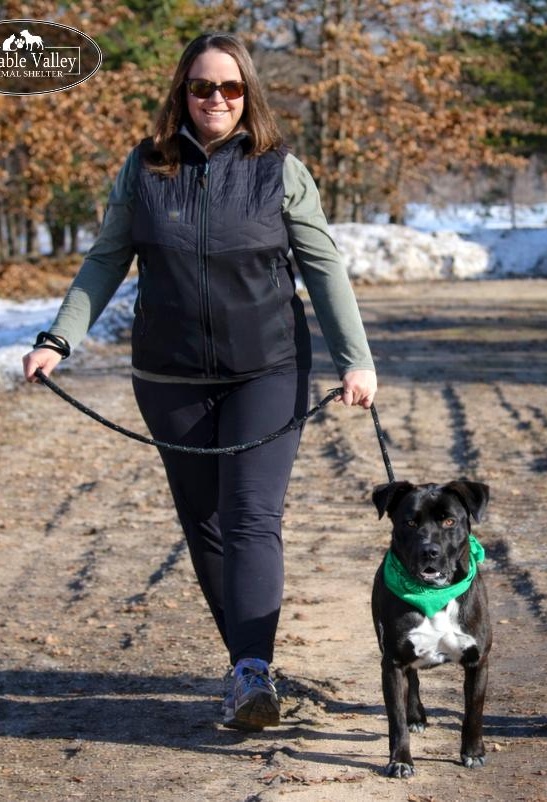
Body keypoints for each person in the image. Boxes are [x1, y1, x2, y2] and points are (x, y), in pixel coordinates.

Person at [22, 32, 377, 733]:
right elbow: (106, 259)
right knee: (205, 522)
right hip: (169, 375)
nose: (217, 99)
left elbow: (322, 266)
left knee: (250, 515)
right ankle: (247, 667)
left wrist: (354, 358)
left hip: (267, 369)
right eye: (202, 87)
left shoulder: (279, 170)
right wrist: (58, 338)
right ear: (182, 93)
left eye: (231, 87)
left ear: (249, 94)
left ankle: (252, 669)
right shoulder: (145, 168)